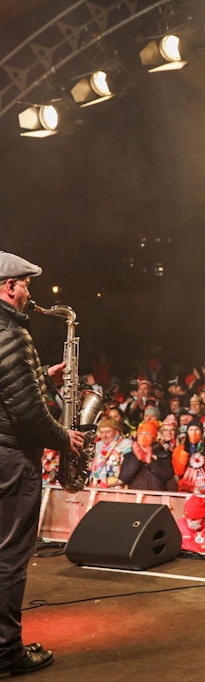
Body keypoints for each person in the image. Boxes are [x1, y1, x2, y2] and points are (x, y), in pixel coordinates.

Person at [0, 251, 85, 677]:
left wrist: (40, 379)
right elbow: (28, 417)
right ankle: (6, 650)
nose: (30, 293)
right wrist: (63, 438)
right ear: (8, 287)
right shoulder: (11, 335)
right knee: (12, 557)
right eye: (26, 284)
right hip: (12, 458)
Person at [119, 420, 175, 491]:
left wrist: (151, 462)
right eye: (141, 434)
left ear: (154, 438)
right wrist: (137, 457)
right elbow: (124, 478)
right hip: (136, 497)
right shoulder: (129, 455)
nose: (143, 436)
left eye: (148, 434)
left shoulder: (163, 454)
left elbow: (167, 475)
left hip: (157, 497)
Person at [172, 418, 205, 494]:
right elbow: (178, 471)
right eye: (191, 430)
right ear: (187, 432)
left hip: (203, 485)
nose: (194, 433)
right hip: (186, 486)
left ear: (201, 432)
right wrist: (185, 452)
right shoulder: (179, 449)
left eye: (196, 430)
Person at [87, 413, 132, 488]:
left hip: (119, 487)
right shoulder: (98, 446)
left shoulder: (127, 444)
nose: (104, 436)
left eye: (108, 432)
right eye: (101, 432)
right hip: (97, 486)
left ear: (117, 431)